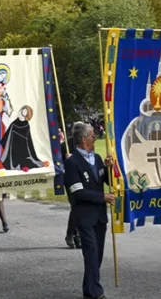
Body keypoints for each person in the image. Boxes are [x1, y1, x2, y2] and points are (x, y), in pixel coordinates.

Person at [64, 122, 115, 299]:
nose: (95, 138)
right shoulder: (72, 163)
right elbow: (78, 192)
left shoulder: (98, 158)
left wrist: (109, 168)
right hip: (84, 216)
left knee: (97, 255)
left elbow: (106, 180)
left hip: (99, 216)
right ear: (84, 139)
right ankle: (95, 292)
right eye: (93, 136)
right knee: (91, 253)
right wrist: (103, 197)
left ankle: (89, 288)